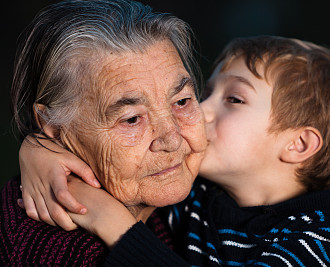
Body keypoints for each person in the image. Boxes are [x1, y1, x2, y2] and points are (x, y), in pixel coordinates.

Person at [19, 36, 330, 266]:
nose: (199, 112)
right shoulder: (196, 200)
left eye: (234, 99)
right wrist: (38, 148)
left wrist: (111, 222)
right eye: (201, 94)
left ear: (298, 144)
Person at [0, 0, 207, 265]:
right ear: (54, 129)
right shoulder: (58, 252)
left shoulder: (193, 198)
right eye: (132, 119)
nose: (172, 139)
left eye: (181, 101)